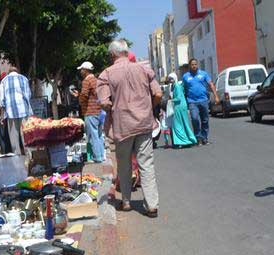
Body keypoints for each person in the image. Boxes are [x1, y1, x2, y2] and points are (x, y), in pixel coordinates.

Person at [97, 40, 162, 218]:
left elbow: (104, 103)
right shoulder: (143, 69)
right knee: (146, 164)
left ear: (112, 55)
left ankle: (126, 201)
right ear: (127, 52)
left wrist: (114, 107)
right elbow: (158, 94)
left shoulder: (106, 74)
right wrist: (148, 109)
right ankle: (152, 206)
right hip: (144, 124)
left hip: (122, 126)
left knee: (124, 165)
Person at [182, 58, 219, 145]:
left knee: (205, 120)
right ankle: (198, 138)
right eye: (192, 64)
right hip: (192, 102)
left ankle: (204, 138)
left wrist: (216, 96)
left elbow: (210, 84)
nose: (194, 66)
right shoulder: (186, 76)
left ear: (197, 65)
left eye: (195, 64)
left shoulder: (203, 74)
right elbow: (183, 89)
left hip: (203, 100)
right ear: (189, 66)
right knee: (195, 119)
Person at [73, 61, 105, 163]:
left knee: (93, 136)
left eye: (82, 70)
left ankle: (97, 157)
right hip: (99, 111)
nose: (81, 72)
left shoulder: (86, 81)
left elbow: (84, 96)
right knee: (99, 135)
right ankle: (101, 155)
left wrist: (78, 96)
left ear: (86, 70)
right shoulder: (96, 80)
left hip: (90, 112)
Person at [0, 66, 33, 155]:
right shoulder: (24, 79)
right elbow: (28, 95)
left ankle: (17, 158)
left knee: (14, 138)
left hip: (10, 112)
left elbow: (2, 100)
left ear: (9, 72)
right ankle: (29, 157)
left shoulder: (4, 81)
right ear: (17, 71)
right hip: (24, 111)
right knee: (25, 136)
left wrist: (2, 116)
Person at [167, 73, 198, 148]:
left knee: (177, 125)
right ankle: (189, 140)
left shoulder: (177, 86)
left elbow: (178, 98)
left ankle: (182, 141)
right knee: (183, 124)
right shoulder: (174, 86)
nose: (170, 80)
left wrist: (170, 101)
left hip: (179, 107)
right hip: (180, 107)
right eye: (169, 79)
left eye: (171, 78)